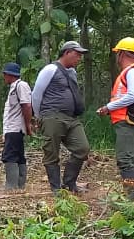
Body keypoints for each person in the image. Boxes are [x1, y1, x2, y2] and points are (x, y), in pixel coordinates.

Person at [32, 41, 91, 193]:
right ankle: (56, 189)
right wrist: (39, 116)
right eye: (76, 54)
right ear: (66, 53)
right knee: (52, 152)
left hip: (71, 118)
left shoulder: (72, 73)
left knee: (82, 148)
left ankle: (69, 183)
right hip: (52, 115)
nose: (79, 58)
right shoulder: (50, 69)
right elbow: (37, 94)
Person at [97, 37, 134, 196]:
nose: (117, 57)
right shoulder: (129, 72)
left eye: (118, 53)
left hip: (127, 122)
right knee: (130, 159)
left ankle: (132, 196)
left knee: (125, 160)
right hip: (125, 121)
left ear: (122, 54)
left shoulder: (132, 71)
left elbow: (133, 95)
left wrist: (108, 107)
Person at [0, 63, 34, 191]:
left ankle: (11, 186)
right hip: (12, 128)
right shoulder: (14, 88)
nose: (4, 77)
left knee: (10, 155)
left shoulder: (21, 86)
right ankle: (19, 186)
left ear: (9, 75)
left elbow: (27, 106)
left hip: (16, 128)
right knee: (18, 155)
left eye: (5, 74)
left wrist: (27, 125)